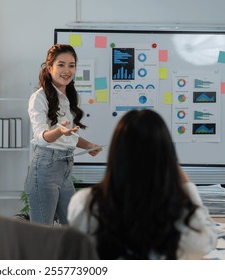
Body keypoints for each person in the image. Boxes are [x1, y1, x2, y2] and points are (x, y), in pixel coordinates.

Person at [68, 109, 218, 259]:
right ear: (167, 155)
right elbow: (206, 244)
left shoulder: (85, 201)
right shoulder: (178, 205)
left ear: (116, 152)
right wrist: (187, 186)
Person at [24, 44, 102, 226]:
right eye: (61, 65)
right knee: (42, 234)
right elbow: (41, 137)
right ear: (49, 67)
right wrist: (59, 130)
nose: (67, 70)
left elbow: (69, 136)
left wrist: (89, 146)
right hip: (45, 168)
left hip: (64, 168)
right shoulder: (39, 97)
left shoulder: (68, 97)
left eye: (71, 65)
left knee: (75, 228)